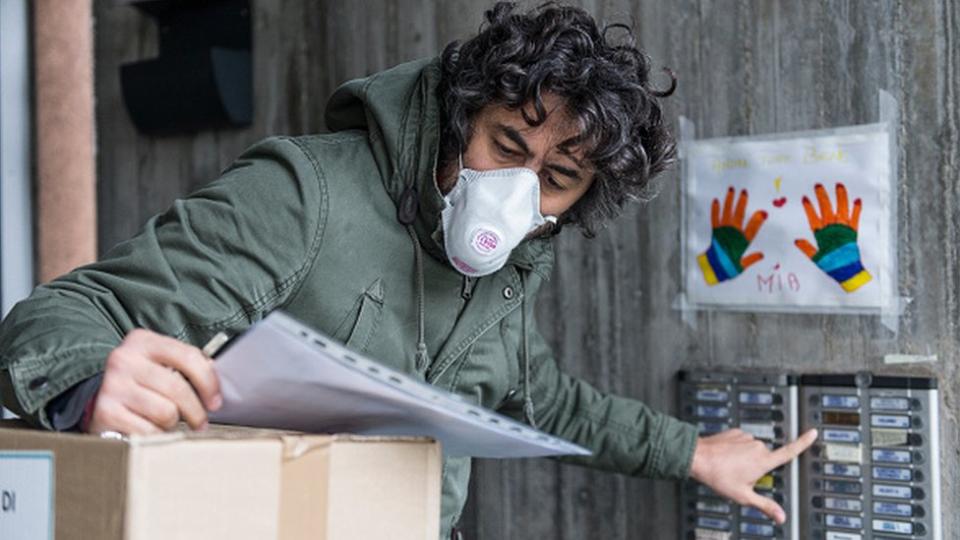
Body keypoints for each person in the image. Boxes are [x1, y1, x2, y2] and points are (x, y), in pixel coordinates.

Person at [0, 2, 816, 538]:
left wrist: (693, 453)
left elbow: (544, 402)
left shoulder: (509, 275)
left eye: (556, 179)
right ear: (464, 115)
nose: (515, 193)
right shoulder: (303, 195)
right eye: (506, 145)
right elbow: (57, 318)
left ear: (575, 203)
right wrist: (87, 381)